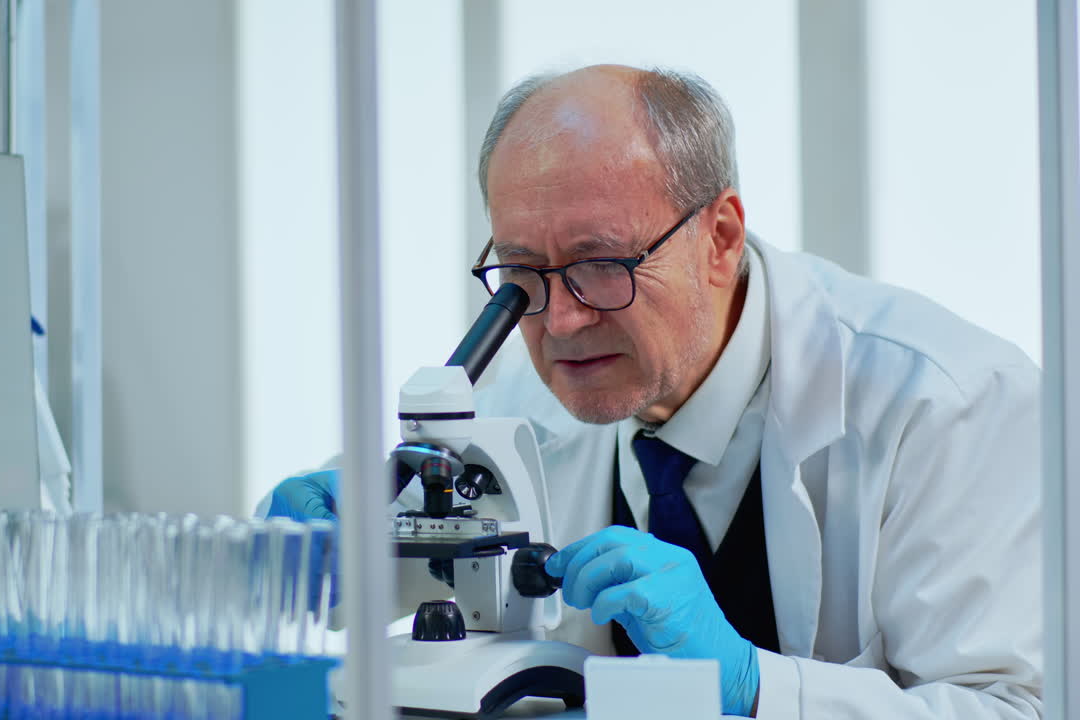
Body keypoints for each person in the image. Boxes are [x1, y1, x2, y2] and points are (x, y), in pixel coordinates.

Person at [264, 65, 1042, 718]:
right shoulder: (520, 396)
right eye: (521, 270)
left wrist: (752, 685)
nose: (561, 321)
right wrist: (302, 557)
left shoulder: (949, 404)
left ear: (721, 239)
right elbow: (379, 583)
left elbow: (1019, 708)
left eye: (602, 263)